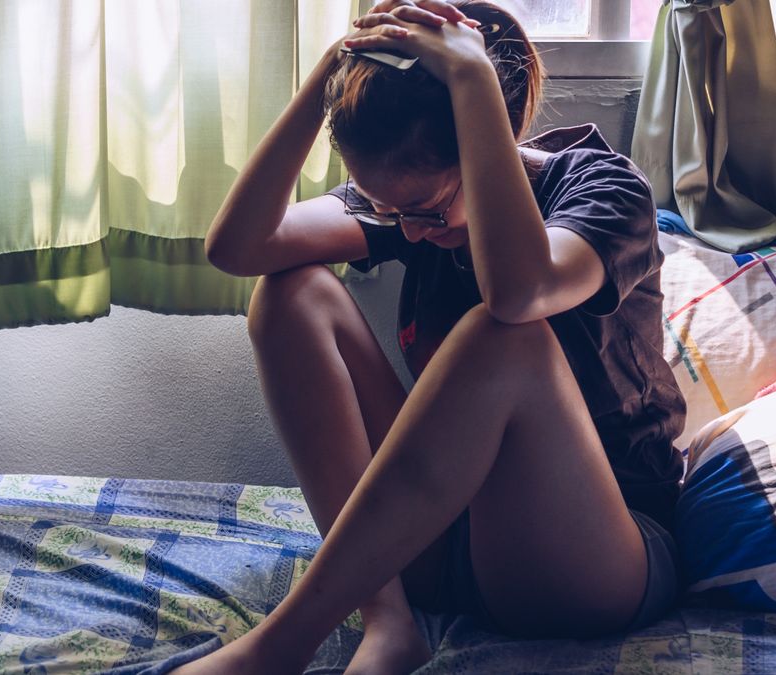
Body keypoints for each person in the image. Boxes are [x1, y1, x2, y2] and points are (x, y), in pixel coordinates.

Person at [172, 1, 686, 673]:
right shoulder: (412, 206)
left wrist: (474, 83)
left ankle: (284, 641)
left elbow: (519, 292)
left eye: (424, 210)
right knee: (289, 294)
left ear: (485, 141)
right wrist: (329, 74)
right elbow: (240, 246)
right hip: (454, 541)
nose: (407, 231)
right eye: (389, 211)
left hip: (600, 553)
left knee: (504, 337)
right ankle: (386, 619)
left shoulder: (601, 189)